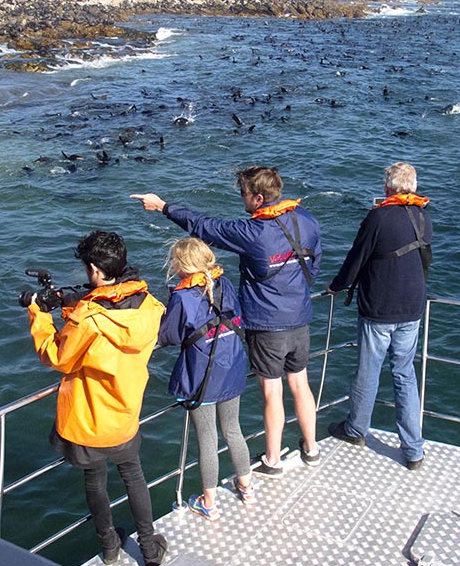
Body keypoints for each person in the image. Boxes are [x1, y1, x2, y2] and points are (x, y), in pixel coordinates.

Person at [131, 165, 323, 478]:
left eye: (244, 194)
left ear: (258, 197)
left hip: (267, 325)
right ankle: (312, 449)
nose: (241, 199)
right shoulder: (307, 220)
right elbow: (313, 265)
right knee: (300, 383)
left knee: (272, 392)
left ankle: (273, 460)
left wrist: (164, 207)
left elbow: (206, 227)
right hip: (300, 318)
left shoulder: (254, 233)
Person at [26, 230, 168, 566]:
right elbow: (112, 313)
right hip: (126, 415)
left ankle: (108, 547)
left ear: (94, 269)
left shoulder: (88, 320)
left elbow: (58, 357)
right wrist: (72, 304)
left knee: (95, 480)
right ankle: (149, 548)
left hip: (89, 421)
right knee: (134, 476)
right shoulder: (149, 306)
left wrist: (39, 314)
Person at [326, 162, 432, 470]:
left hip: (379, 308)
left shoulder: (378, 216)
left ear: (388, 187)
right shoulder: (424, 216)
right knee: (405, 374)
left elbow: (356, 258)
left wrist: (337, 285)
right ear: (412, 187)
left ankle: (356, 429)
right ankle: (413, 449)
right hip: (412, 306)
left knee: (368, 370)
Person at [158, 238, 254, 521]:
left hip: (203, 375)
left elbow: (170, 336)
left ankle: (209, 501)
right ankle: (246, 488)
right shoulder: (225, 284)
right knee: (233, 429)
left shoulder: (182, 296)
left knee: (208, 437)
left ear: (180, 266)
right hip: (232, 365)